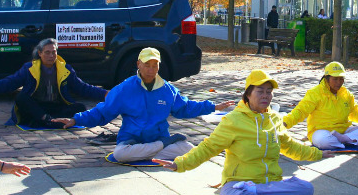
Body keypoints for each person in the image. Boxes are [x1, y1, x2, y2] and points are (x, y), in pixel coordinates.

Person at [153, 70, 333, 195]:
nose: (266, 96)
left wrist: (317, 153)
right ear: (248, 94)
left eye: (269, 92)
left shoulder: (275, 119)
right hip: (239, 184)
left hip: (270, 182)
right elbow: (208, 147)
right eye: (260, 91)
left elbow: (289, 146)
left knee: (306, 189)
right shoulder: (233, 120)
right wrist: (180, 164)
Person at [54, 47, 235, 162]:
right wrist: (76, 120)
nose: (151, 69)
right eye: (147, 65)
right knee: (120, 154)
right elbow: (104, 112)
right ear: (138, 64)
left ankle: (153, 150)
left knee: (187, 148)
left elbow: (184, 108)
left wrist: (213, 107)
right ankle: (161, 147)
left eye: (155, 65)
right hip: (132, 142)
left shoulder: (167, 90)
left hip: (156, 138)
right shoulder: (124, 88)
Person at [0, 38, 107, 127]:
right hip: (37, 107)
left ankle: (49, 121)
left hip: (56, 107)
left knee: (80, 107)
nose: (51, 56)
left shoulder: (66, 69)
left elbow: (82, 88)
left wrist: (106, 93)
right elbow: (8, 83)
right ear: (40, 53)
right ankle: (46, 119)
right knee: (21, 98)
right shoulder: (29, 69)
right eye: (47, 52)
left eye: (53, 52)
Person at [283, 62, 358, 149]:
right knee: (322, 140)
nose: (339, 82)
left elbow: (355, 113)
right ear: (327, 78)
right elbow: (301, 111)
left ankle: (341, 141)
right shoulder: (315, 93)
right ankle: (346, 142)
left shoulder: (346, 94)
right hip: (321, 131)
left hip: (344, 131)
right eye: (335, 79)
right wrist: (285, 123)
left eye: (341, 79)